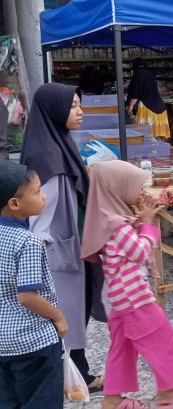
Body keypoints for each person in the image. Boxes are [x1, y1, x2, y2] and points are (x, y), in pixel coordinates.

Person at [79, 161, 173, 409]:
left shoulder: (110, 218)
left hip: (120, 300)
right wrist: (147, 224)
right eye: (136, 188)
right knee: (160, 338)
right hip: (134, 300)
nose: (142, 193)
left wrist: (140, 220)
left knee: (122, 349)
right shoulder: (115, 224)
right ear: (117, 190)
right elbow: (138, 251)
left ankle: (113, 400)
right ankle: (168, 392)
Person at [20, 83, 103, 392]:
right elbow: (41, 221)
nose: (80, 112)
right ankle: (71, 379)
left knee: (73, 315)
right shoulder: (48, 158)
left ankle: (77, 375)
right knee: (66, 317)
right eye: (73, 106)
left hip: (69, 249)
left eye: (79, 105)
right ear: (55, 111)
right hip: (57, 255)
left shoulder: (57, 143)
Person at [0, 160, 66, 409]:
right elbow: (27, 296)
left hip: (3, 342)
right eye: (37, 192)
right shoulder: (27, 241)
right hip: (34, 342)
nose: (43, 196)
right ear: (15, 204)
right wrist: (59, 317)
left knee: (10, 402)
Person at [126, 57, 169, 140]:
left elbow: (136, 92)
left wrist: (130, 106)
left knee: (145, 135)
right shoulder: (150, 74)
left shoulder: (138, 74)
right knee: (157, 137)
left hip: (147, 109)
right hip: (160, 108)